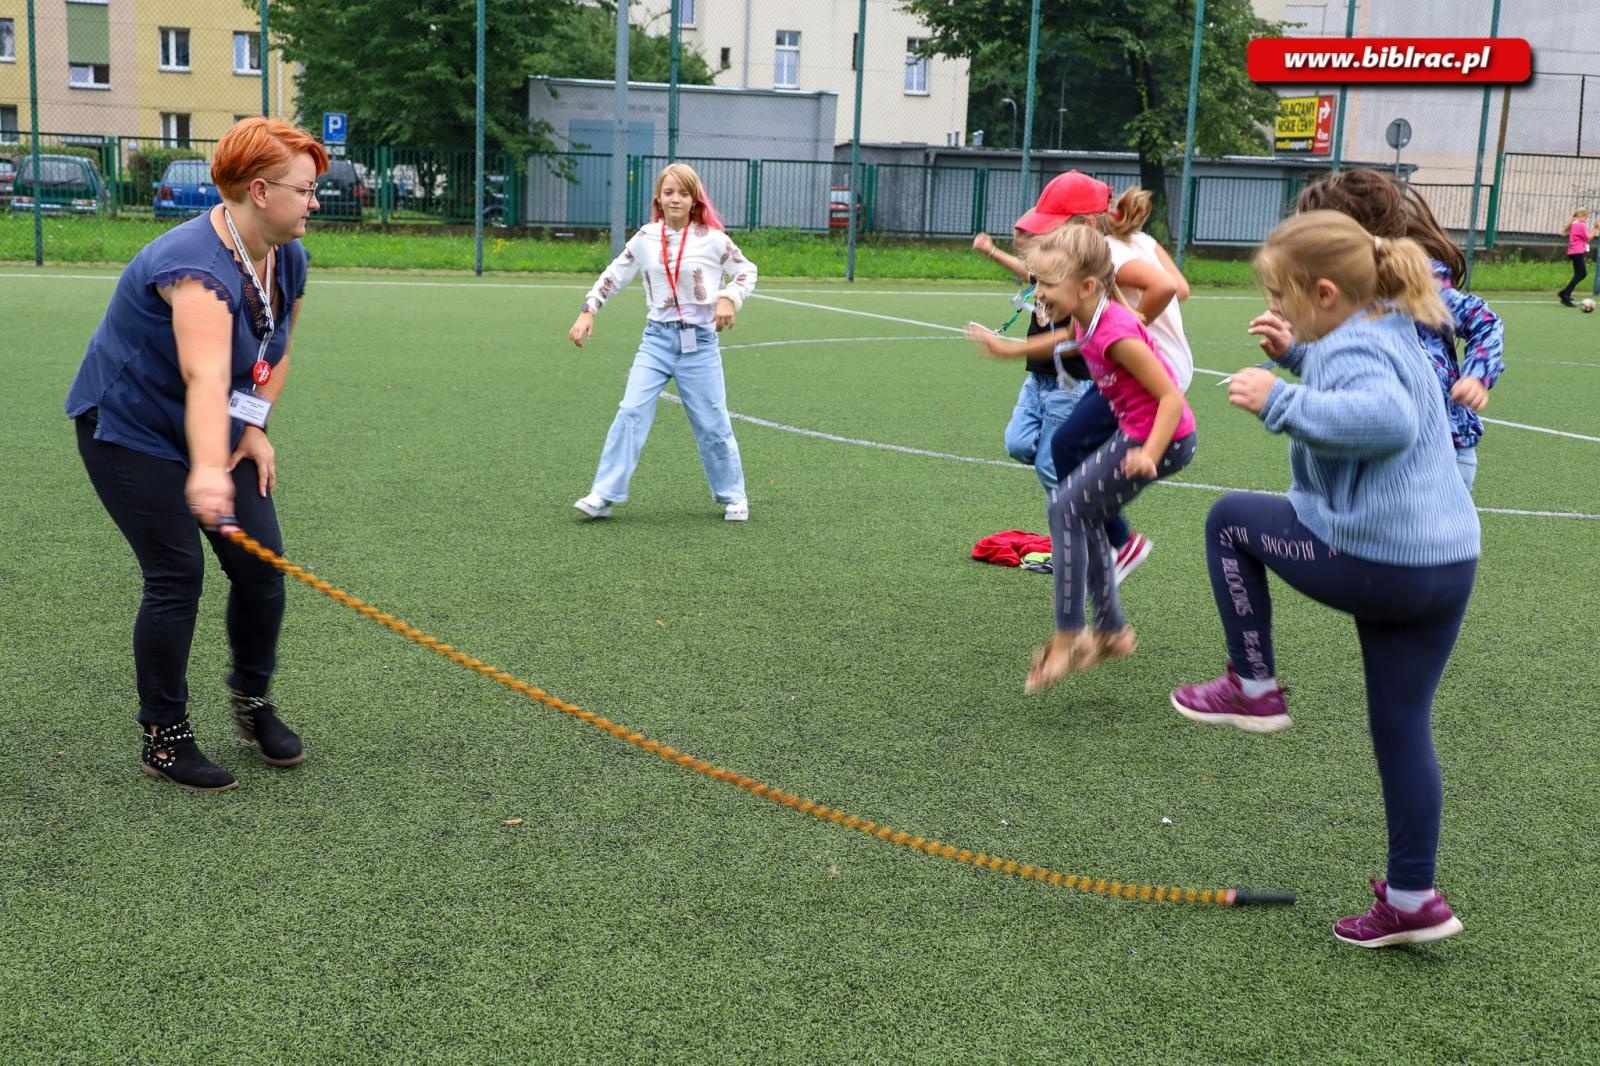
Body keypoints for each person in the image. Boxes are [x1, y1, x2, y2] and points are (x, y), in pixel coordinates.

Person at [1172, 211, 1479, 948]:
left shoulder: (1355, 347)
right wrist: (1302, 361)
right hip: (1447, 566)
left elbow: (1386, 419)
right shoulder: (1393, 325)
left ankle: (1253, 687)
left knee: (1229, 521)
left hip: (1383, 562)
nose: (1275, 310)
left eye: (1282, 298)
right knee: (1401, 729)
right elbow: (1368, 378)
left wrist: (1279, 398)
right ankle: (1413, 899)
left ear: (1328, 292)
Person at [65, 118, 327, 791]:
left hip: (211, 425)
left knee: (260, 565)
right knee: (177, 573)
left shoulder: (286, 254)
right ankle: (165, 735)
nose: (316, 201)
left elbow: (275, 352)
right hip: (131, 429)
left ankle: (252, 699)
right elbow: (205, 375)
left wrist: (253, 428)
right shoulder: (198, 269)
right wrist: (209, 469)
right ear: (261, 191)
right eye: (305, 189)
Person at [1021, 224, 1196, 693]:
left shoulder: (1117, 331)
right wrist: (1014, 348)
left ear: (1086, 286)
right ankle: (1112, 630)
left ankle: (1069, 633)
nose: (1038, 292)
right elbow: (1072, 343)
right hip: (1136, 434)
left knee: (1064, 505)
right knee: (1083, 510)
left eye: (1046, 284)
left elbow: (1171, 398)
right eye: (1037, 281)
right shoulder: (1087, 317)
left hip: (1161, 439)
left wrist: (1151, 454)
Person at [968, 171, 1159, 583]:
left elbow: (1109, 307)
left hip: (1071, 383)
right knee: (1019, 444)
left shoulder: (1093, 268)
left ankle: (1094, 537)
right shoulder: (1056, 267)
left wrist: (1135, 316)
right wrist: (994, 253)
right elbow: (1029, 272)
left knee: (1054, 472)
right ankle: (1089, 507)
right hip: (1038, 379)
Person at [1289, 168, 1505, 489]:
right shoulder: (1339, 292)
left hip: (1441, 451)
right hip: (1381, 451)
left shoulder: (1414, 283)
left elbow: (1484, 322)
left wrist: (1476, 376)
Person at [569, 163, 757, 521]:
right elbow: (614, 274)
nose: (675, 199)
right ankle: (603, 494)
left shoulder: (713, 239)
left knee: (712, 423)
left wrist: (729, 297)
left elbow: (747, 270)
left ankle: (733, 495)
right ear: (658, 197)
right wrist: (588, 308)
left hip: (699, 344)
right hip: (656, 341)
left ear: (694, 199)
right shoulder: (644, 239)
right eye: (669, 192)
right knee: (630, 411)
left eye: (683, 193)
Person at [1559, 206, 1593, 307]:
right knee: (1581, 274)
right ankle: (1565, 294)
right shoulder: (1581, 225)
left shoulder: (1574, 224)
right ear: (1582, 216)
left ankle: (1566, 293)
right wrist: (1595, 229)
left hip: (1574, 251)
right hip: (1577, 252)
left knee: (1580, 274)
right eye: (1586, 217)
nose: (1586, 220)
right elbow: (1587, 238)